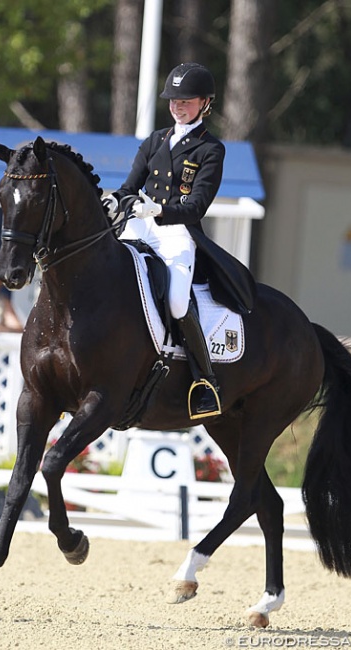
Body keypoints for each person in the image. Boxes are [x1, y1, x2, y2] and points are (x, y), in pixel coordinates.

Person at [103, 62, 254, 419]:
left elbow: (197, 206)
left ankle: (205, 382)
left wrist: (156, 209)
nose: (177, 106)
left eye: (185, 101)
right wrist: (116, 200)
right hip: (139, 227)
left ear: (205, 103)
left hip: (176, 234)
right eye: (173, 100)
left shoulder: (210, 149)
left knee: (175, 301)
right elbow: (129, 188)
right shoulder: (155, 140)